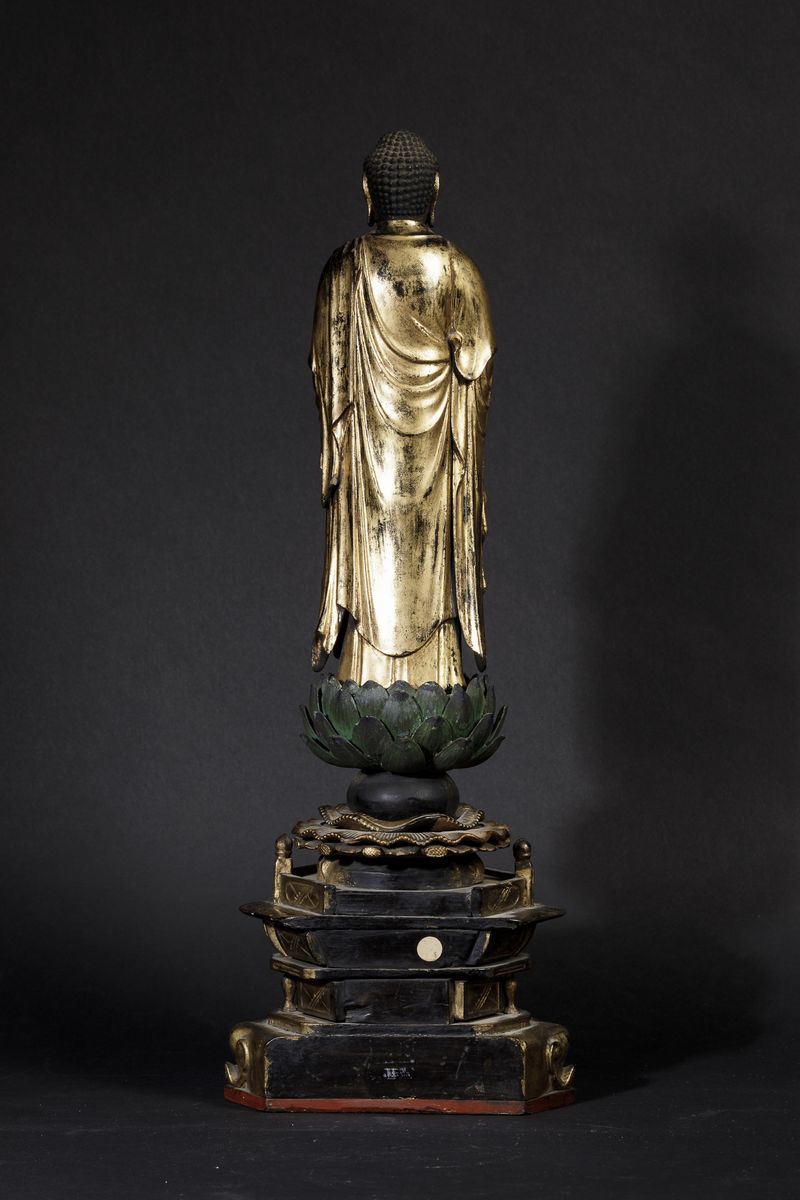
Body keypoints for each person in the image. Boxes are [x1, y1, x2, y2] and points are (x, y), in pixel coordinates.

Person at [310, 130, 495, 688]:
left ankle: (370, 675)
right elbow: (478, 362)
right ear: (433, 192)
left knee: (376, 552)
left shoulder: (346, 270)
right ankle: (433, 676)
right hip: (436, 468)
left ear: (369, 193)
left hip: (369, 469)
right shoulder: (456, 269)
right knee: (430, 559)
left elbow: (324, 369)